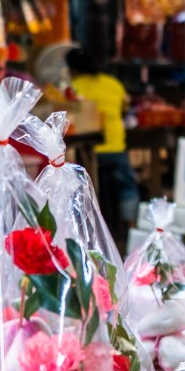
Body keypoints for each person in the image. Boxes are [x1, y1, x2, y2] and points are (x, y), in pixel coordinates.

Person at [66, 47, 139, 247]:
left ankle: (92, 232)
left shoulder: (73, 87)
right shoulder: (113, 83)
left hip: (90, 151)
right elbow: (124, 108)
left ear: (72, 69)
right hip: (116, 145)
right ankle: (131, 229)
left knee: (89, 190)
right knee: (126, 186)